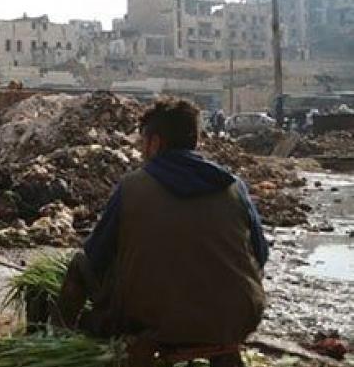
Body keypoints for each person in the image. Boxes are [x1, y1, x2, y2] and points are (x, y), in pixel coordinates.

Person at [55, 98, 268, 347]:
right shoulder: (234, 186)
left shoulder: (132, 187)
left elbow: (95, 257)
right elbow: (261, 254)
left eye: (143, 143)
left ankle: (56, 340)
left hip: (150, 321)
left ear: (154, 143)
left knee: (79, 263)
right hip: (236, 320)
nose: (142, 151)